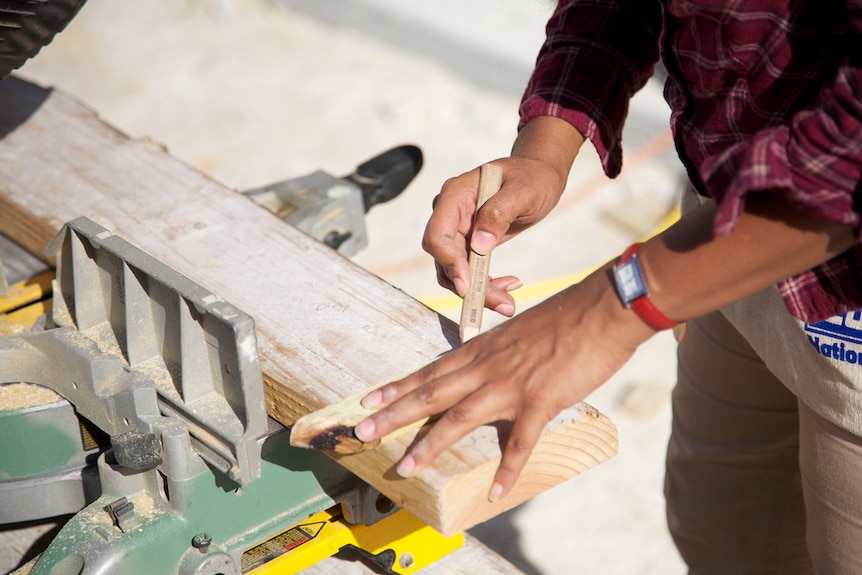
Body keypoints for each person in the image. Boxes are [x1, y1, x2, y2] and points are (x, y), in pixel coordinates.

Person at [354, 1, 862, 572]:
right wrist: (545, 152)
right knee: (720, 531)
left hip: (847, 279)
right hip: (723, 218)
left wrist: (608, 310)